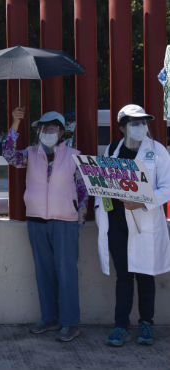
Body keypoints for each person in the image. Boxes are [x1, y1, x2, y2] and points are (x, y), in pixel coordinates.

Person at [3, 107, 87, 342]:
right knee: (44, 273)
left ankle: (70, 323)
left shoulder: (74, 155)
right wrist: (15, 123)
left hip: (65, 222)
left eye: (53, 127)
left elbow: (83, 191)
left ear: (62, 132)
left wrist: (77, 219)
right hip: (37, 221)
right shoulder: (30, 154)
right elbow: (8, 155)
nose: (48, 131)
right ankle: (49, 318)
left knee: (67, 273)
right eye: (44, 127)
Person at [95, 104, 170, 347]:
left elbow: (167, 188)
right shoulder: (112, 150)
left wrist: (142, 203)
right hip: (117, 224)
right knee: (124, 276)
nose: (140, 127)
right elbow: (103, 185)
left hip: (144, 224)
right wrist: (103, 205)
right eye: (134, 123)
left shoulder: (157, 151)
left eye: (143, 122)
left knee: (145, 274)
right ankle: (121, 326)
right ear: (122, 128)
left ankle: (146, 323)